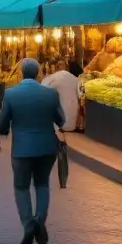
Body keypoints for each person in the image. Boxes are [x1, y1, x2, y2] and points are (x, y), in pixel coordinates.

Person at [0, 58, 65, 244]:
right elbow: (61, 120)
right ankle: (39, 219)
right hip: (46, 147)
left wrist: (2, 129)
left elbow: (3, 126)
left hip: (21, 149)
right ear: (38, 73)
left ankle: (28, 224)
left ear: (20, 73)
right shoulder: (51, 94)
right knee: (42, 184)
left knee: (21, 187)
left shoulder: (11, 94)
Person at [42, 60, 82, 189]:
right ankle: (62, 181)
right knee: (60, 150)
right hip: (69, 119)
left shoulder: (50, 80)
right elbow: (81, 94)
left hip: (54, 123)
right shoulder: (76, 79)